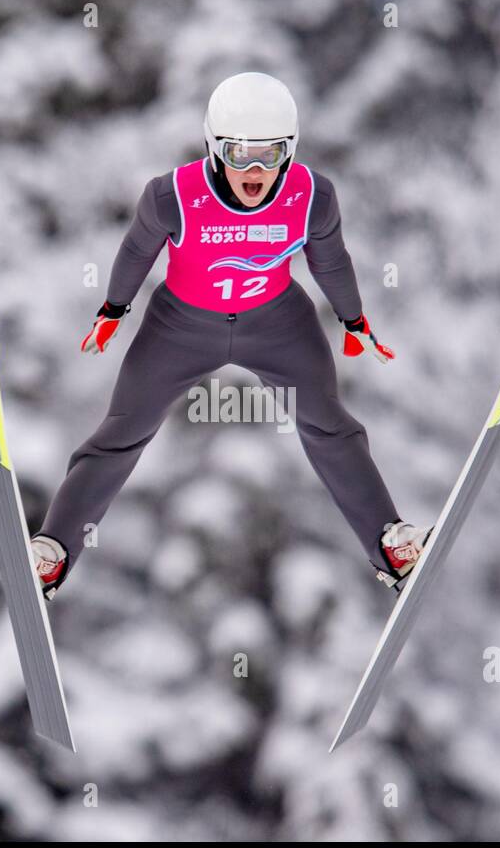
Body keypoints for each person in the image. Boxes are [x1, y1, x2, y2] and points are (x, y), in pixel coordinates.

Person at [32, 72, 429, 599]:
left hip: (279, 324)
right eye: (242, 154)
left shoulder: (312, 197)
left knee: (330, 427)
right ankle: (54, 551)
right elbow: (135, 251)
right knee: (123, 431)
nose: (257, 171)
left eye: (272, 155)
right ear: (216, 148)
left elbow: (331, 261)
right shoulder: (172, 196)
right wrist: (113, 309)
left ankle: (391, 547)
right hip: (179, 328)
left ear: (290, 152)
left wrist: (354, 321)